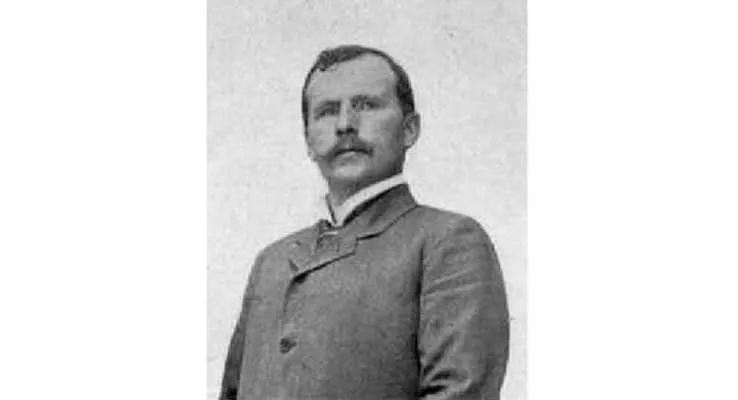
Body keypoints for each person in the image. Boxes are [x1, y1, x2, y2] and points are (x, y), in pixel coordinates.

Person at [219, 45, 509, 400]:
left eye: (366, 105)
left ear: (410, 129)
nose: (345, 125)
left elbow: (460, 392)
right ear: (308, 140)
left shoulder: (447, 241)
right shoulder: (271, 262)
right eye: (327, 111)